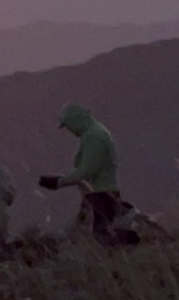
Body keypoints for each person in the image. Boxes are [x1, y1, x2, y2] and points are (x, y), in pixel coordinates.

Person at [39, 103, 123, 245]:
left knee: (101, 236)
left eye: (69, 125)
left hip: (101, 194)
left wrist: (58, 182)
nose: (70, 130)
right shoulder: (93, 134)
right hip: (97, 193)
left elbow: (85, 171)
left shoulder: (94, 136)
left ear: (76, 119)